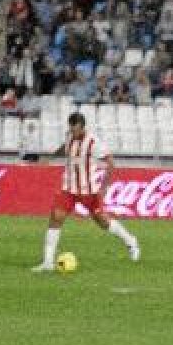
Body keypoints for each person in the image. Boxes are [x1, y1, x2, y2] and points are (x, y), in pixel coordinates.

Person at [31, 112, 141, 271]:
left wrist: (104, 187)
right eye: (71, 129)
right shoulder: (70, 136)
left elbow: (110, 163)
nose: (73, 133)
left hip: (88, 190)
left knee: (102, 221)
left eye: (75, 130)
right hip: (68, 188)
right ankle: (48, 262)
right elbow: (65, 147)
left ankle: (131, 242)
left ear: (83, 127)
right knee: (56, 217)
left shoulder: (93, 142)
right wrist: (50, 158)